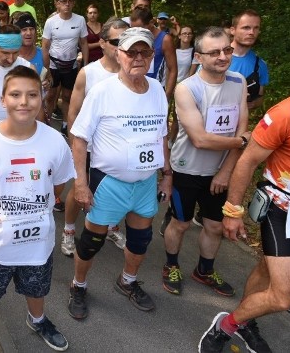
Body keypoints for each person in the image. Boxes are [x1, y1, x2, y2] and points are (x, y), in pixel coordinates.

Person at [0, 66, 75, 353]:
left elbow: (58, 186)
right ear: (3, 100)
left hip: (38, 243)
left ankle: (37, 320)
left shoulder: (56, 141)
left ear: (42, 97)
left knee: (37, 289)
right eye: (15, 94)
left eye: (32, 94)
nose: (23, 101)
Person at [67, 27, 171, 319]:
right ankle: (78, 285)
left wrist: (167, 173)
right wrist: (80, 184)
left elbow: (162, 135)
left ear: (152, 56)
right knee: (91, 243)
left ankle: (127, 281)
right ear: (118, 53)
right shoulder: (103, 91)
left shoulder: (158, 90)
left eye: (145, 52)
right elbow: (79, 138)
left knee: (140, 241)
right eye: (131, 52)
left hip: (145, 183)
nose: (138, 57)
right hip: (109, 182)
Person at [198, 93, 290, 353]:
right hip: (284, 207)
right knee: (284, 296)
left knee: (268, 267)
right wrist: (233, 211)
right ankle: (226, 325)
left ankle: (245, 319)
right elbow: (248, 161)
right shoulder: (287, 113)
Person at [161, 27, 249, 298]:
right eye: (214, 52)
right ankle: (171, 266)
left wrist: (226, 170)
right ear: (198, 56)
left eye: (227, 50)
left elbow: (241, 129)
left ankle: (204, 271)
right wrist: (242, 143)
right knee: (181, 224)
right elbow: (200, 139)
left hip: (219, 173)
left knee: (214, 226)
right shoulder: (187, 88)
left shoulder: (238, 81)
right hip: (187, 168)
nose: (223, 57)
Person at [61, 18, 129, 257]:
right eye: (116, 42)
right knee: (80, 188)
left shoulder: (132, 73)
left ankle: (111, 227)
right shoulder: (89, 73)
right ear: (102, 42)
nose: (122, 47)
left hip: (118, 149)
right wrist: (73, 145)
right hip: (89, 147)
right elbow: (73, 112)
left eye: (127, 41)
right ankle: (69, 232)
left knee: (117, 189)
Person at [42, 0, 89, 137]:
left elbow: (84, 43)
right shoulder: (51, 22)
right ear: (59, 3)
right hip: (54, 64)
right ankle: (47, 124)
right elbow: (45, 46)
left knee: (68, 96)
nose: (67, 4)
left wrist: (85, 65)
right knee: (50, 95)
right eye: (64, 1)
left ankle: (65, 124)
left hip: (71, 64)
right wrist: (47, 68)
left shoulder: (80, 20)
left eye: (70, 1)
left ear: (73, 3)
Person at [229, 9, 269, 110]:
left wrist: (253, 103)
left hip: (240, 123)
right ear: (233, 30)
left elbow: (259, 98)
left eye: (256, 28)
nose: (251, 32)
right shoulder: (215, 56)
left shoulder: (260, 65)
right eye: (246, 28)